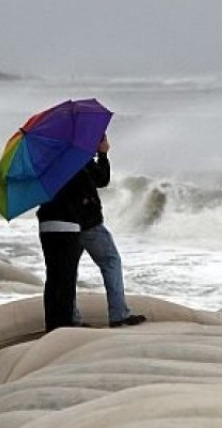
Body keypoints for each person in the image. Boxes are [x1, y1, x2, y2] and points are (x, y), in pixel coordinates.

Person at [73, 134, 147, 328]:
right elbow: (101, 179)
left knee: (68, 270)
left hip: (66, 223)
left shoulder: (58, 157)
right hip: (88, 222)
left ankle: (71, 316)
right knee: (111, 261)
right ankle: (118, 314)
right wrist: (102, 155)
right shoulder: (78, 157)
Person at [35, 171, 85, 332]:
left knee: (53, 276)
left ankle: (51, 323)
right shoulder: (73, 166)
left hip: (46, 225)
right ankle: (64, 323)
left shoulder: (43, 168)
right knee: (67, 278)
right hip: (69, 225)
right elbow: (99, 180)